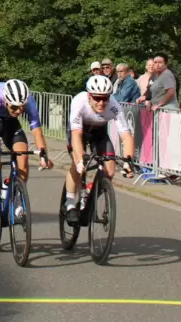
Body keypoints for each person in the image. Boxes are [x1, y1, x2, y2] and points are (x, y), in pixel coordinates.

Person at [0, 79, 53, 226]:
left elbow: (37, 131)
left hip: (10, 124)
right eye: (15, 107)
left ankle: (17, 197)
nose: (19, 111)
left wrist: (44, 154)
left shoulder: (28, 101)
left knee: (22, 159)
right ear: (6, 101)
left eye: (21, 107)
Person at [64, 75, 135, 224]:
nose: (101, 102)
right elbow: (76, 135)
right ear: (89, 96)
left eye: (105, 98)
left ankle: (90, 192)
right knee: (78, 164)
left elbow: (126, 134)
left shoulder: (114, 105)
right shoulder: (79, 101)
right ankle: (70, 203)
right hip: (79, 131)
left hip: (99, 133)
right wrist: (78, 159)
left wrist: (129, 160)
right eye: (97, 98)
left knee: (109, 171)